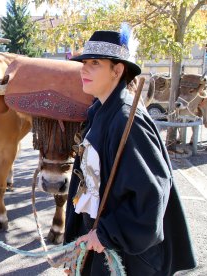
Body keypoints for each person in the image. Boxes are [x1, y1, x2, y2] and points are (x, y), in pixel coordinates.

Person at [64, 27, 196, 275]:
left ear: (118, 69)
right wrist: (78, 241)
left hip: (126, 254)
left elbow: (153, 192)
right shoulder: (100, 111)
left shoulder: (127, 119)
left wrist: (106, 234)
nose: (84, 69)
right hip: (98, 240)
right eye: (83, 63)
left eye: (94, 63)